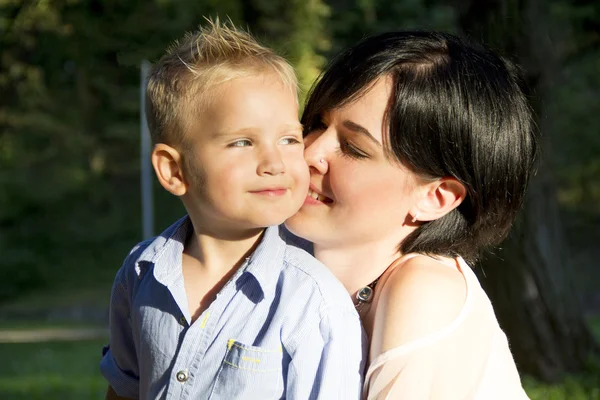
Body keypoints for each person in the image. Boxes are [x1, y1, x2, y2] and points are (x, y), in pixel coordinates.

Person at [100, 20, 364, 400]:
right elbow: (124, 388)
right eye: (243, 142)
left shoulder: (312, 300)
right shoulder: (140, 274)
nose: (274, 162)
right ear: (174, 170)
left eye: (289, 138)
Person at [284, 31, 537, 399]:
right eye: (318, 123)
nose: (310, 153)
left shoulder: (424, 290)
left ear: (435, 197)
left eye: (354, 148)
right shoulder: (288, 254)